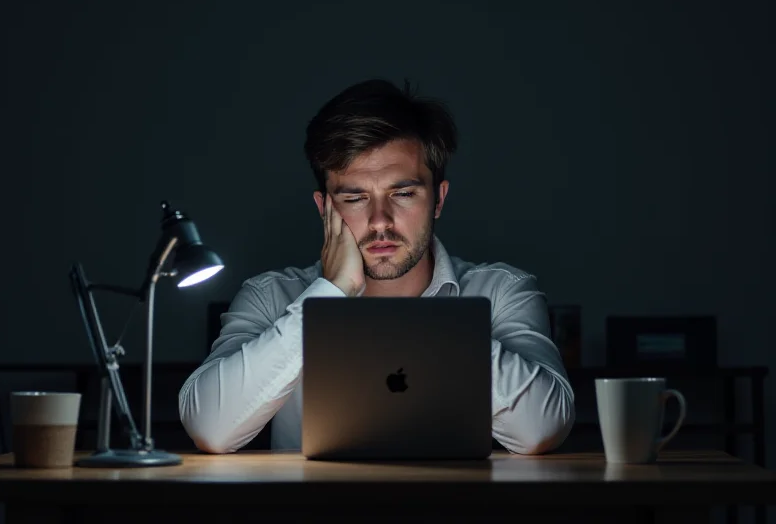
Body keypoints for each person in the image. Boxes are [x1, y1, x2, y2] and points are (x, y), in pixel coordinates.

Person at [179, 79, 575, 454]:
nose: (380, 220)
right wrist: (330, 294)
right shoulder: (270, 297)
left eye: (402, 194)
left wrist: (425, 328)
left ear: (438, 199)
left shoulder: (503, 291)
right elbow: (210, 427)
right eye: (355, 198)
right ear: (325, 209)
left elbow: (542, 429)